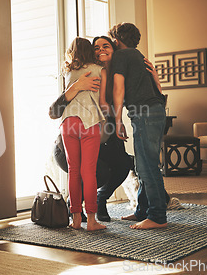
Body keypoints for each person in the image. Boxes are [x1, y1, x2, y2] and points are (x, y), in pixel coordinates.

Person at [108, 22, 168, 230]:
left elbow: (118, 88)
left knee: (147, 166)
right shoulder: (139, 56)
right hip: (156, 110)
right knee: (144, 163)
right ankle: (142, 211)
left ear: (116, 40)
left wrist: (117, 121)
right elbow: (155, 89)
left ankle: (158, 216)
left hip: (144, 112)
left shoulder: (121, 56)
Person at [59, 37, 106, 231]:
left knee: (74, 171)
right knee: (89, 172)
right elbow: (103, 102)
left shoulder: (67, 72)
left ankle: (76, 219)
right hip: (89, 122)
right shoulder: (99, 70)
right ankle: (92, 221)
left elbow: (65, 96)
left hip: (68, 122)